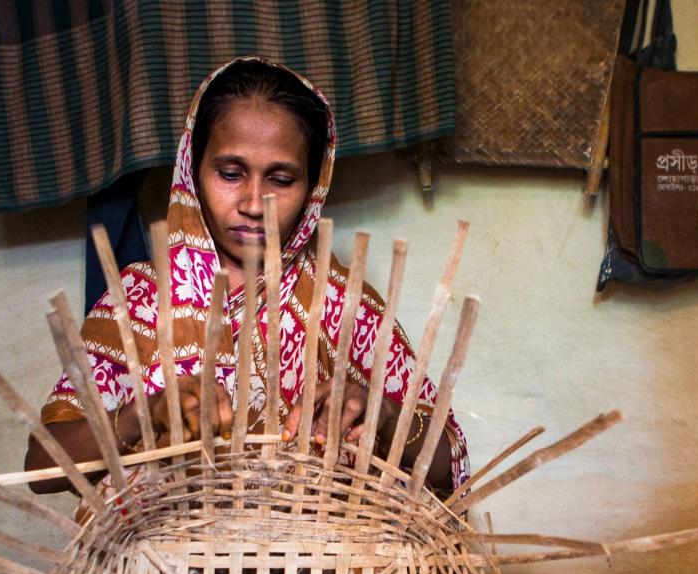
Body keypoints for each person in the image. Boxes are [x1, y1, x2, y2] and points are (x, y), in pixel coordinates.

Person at [28, 57, 468, 498]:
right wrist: (140, 417)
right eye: (230, 173)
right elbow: (42, 469)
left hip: (317, 542)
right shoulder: (141, 300)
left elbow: (449, 467)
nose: (254, 204)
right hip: (166, 543)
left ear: (313, 187)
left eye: (282, 179)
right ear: (192, 170)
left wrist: (384, 417)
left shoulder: (340, 304)